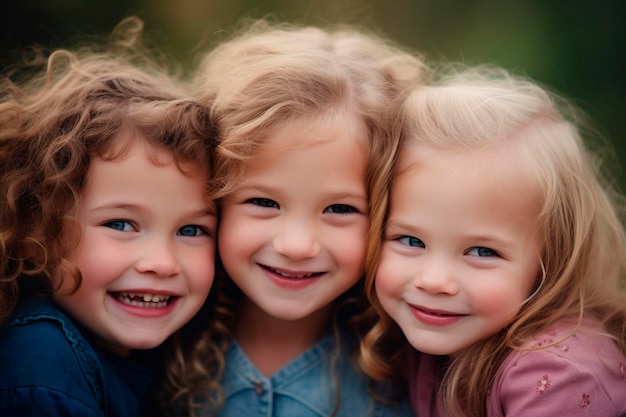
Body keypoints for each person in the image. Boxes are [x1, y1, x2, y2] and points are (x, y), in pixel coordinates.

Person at [157, 19, 426, 417]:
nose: (296, 246)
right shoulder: (155, 339)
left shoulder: (412, 369)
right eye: (264, 203)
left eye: (340, 209)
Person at [360, 64, 626, 416]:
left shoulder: (557, 378)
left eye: (482, 251)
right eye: (410, 241)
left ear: (550, 260)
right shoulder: (410, 334)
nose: (435, 281)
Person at [0, 17, 218, 417]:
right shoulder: (43, 372)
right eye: (121, 224)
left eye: (192, 229)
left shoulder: (164, 353)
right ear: (35, 229)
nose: (162, 263)